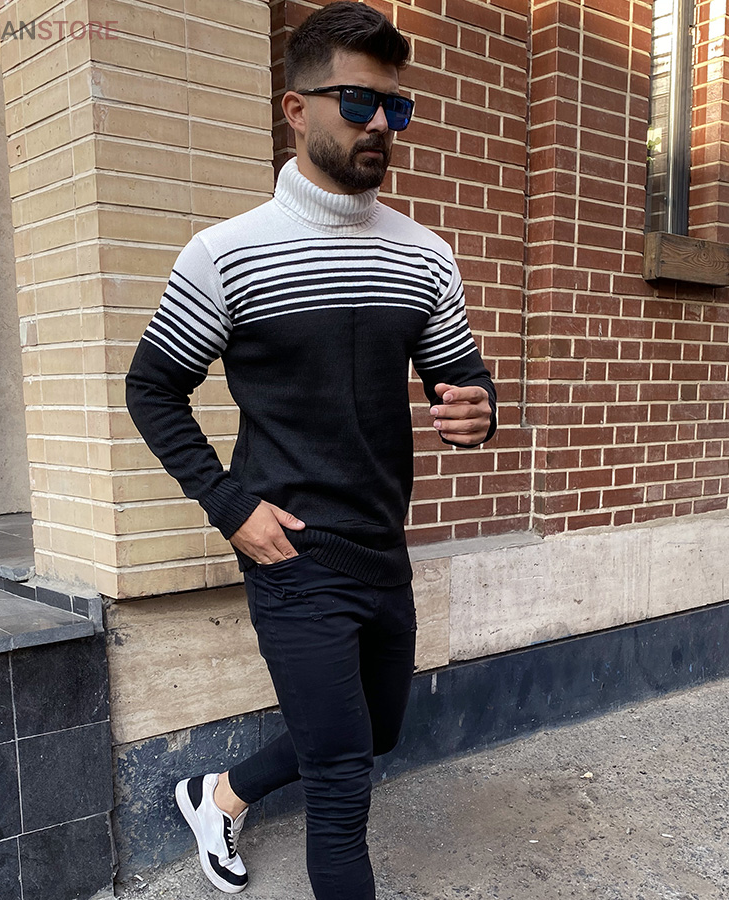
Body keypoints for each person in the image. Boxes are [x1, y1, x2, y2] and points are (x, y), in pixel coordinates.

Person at [125, 3, 497, 897]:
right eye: (358, 104)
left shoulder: (424, 255)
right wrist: (230, 506)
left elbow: (463, 380)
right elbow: (152, 388)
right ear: (296, 109)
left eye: (395, 107)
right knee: (341, 779)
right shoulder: (228, 254)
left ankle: (218, 794)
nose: (381, 125)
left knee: (376, 733)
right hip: (289, 551)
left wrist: (477, 411)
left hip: (382, 546)